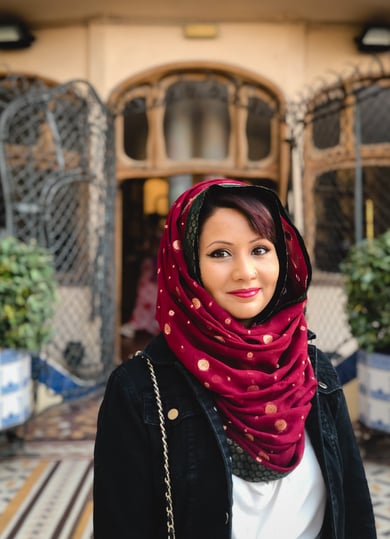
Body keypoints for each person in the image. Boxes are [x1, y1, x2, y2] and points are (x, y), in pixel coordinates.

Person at [93, 178, 376, 539]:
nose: (245, 271)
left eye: (260, 249)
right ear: (186, 266)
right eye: (220, 253)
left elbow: (354, 513)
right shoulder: (139, 391)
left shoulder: (312, 369)